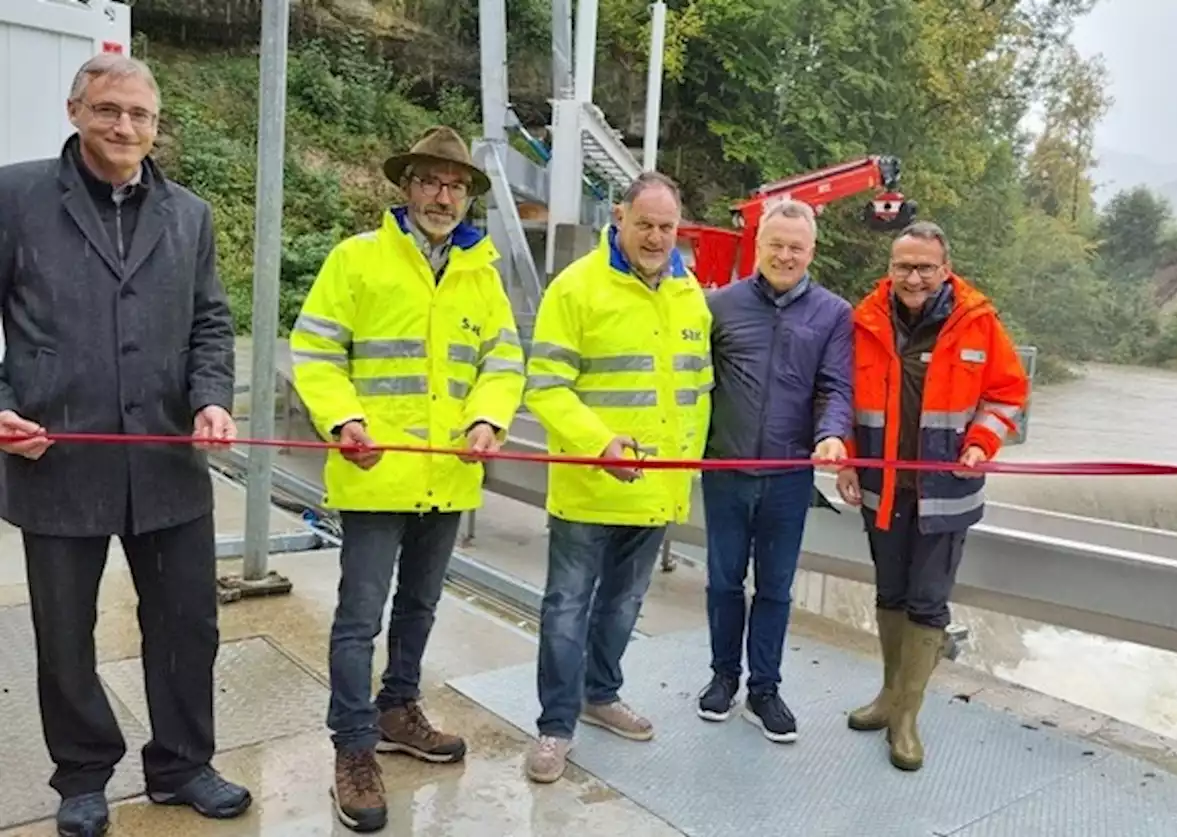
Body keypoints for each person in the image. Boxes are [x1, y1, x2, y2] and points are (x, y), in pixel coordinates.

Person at [0, 54, 249, 835]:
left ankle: (181, 764)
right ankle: (82, 775)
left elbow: (211, 322)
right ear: (76, 111)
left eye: (140, 114)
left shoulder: (191, 214)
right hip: (56, 456)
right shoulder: (15, 197)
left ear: (156, 123)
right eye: (109, 109)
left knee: (187, 625)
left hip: (168, 459)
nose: (125, 127)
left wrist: (211, 398)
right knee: (65, 633)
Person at [289, 125, 526, 831]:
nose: (443, 195)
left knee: (420, 606)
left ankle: (398, 708)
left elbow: (503, 361)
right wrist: (342, 420)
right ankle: (354, 745)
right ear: (406, 186)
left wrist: (487, 419)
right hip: (375, 472)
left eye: (455, 185)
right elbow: (316, 348)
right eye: (430, 180)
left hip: (447, 476)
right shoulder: (357, 260)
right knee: (359, 617)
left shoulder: (481, 272)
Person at [521, 171, 714, 784]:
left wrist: (682, 474)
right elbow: (545, 387)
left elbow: (698, 393)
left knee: (624, 604)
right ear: (619, 218)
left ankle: (600, 694)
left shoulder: (690, 296)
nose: (656, 238)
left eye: (666, 227)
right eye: (645, 225)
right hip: (587, 486)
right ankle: (555, 726)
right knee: (567, 606)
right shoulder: (576, 288)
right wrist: (599, 443)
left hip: (655, 488)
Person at [837, 220, 1028, 772]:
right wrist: (848, 458)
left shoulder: (978, 323)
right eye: (904, 266)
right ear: (889, 268)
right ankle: (887, 697)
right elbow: (842, 396)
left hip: (946, 493)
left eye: (925, 267)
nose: (914, 277)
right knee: (890, 594)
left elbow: (1009, 392)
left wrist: (982, 441)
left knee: (926, 601)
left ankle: (906, 718)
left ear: (944, 269)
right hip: (882, 490)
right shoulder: (865, 320)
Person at [695, 199, 852, 743]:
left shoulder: (834, 314)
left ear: (812, 251)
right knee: (722, 580)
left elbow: (836, 387)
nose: (785, 256)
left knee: (776, 588)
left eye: (796, 247)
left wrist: (832, 433)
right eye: (776, 244)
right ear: (757, 245)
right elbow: (692, 383)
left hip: (788, 477)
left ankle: (765, 688)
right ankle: (723, 677)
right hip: (726, 469)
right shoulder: (717, 306)